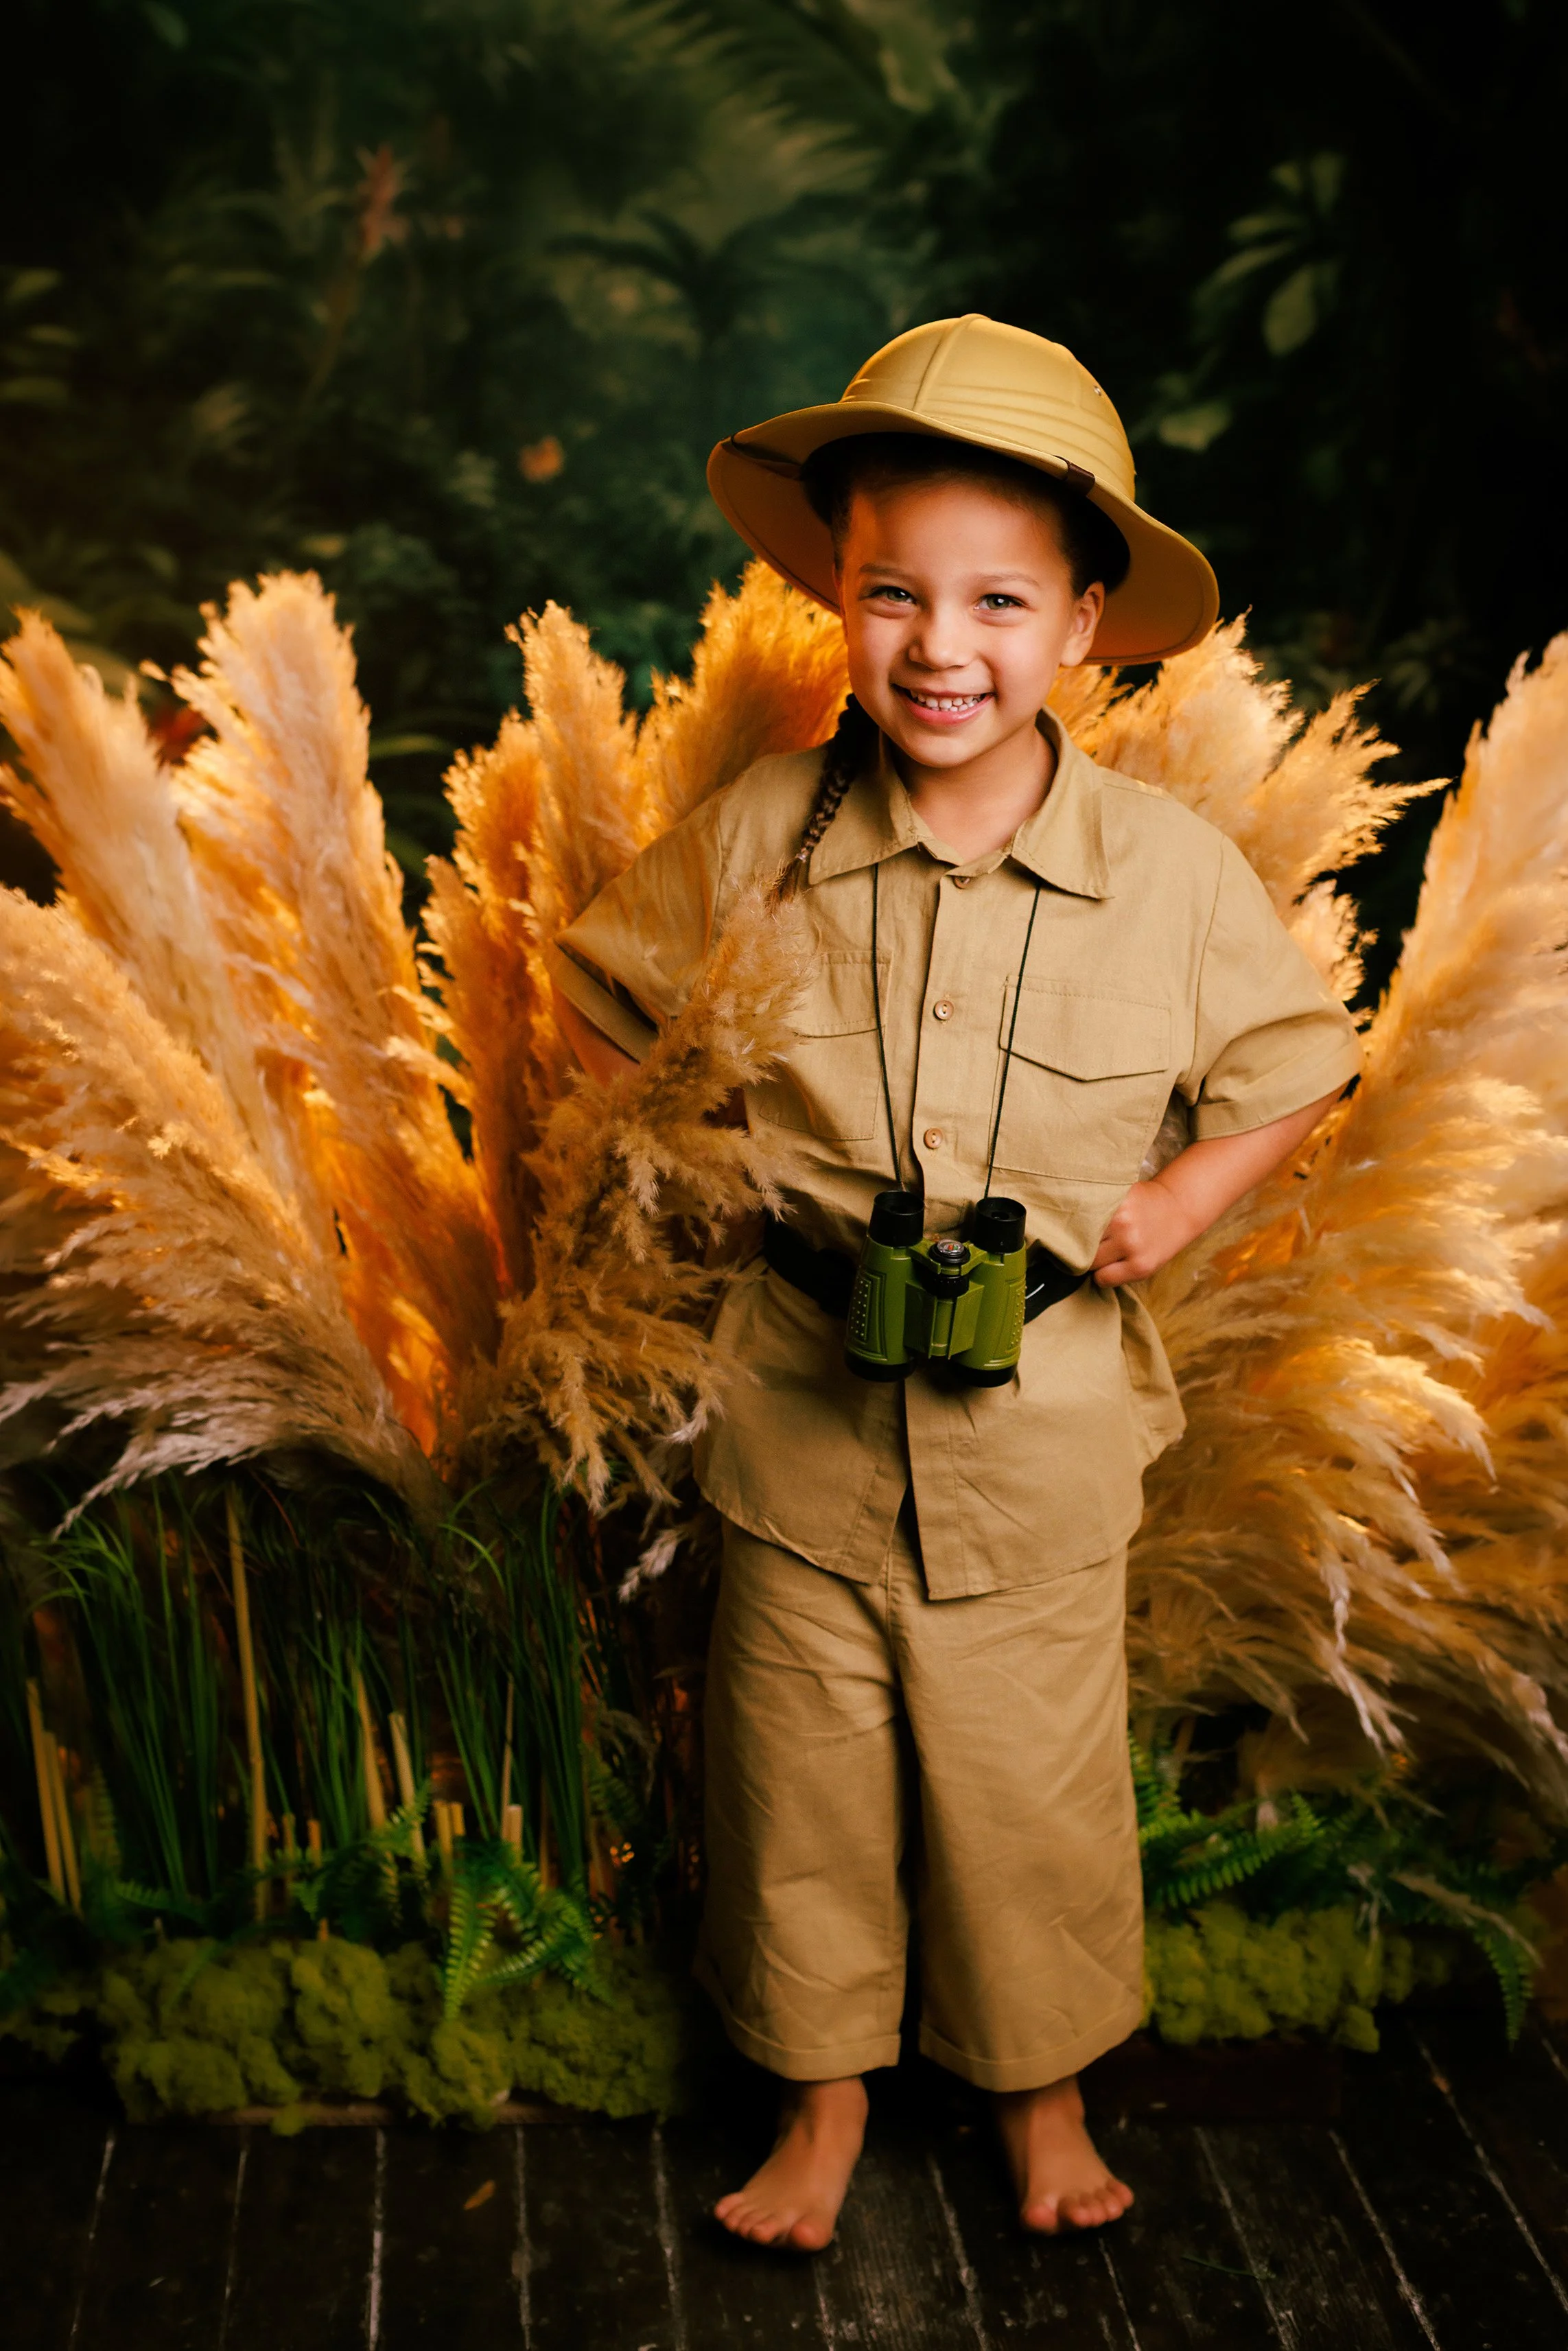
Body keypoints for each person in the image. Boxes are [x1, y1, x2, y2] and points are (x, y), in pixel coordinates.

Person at [550, 316, 1361, 2249]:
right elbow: (599, 996)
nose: (941, 645)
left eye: (999, 600)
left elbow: (1297, 1066)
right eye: (891, 593)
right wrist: (709, 1168)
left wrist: (1174, 1206)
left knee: (1028, 1793)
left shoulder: (1161, 872)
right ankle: (816, 2108)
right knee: (797, 1778)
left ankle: (1040, 2103)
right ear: (838, 599)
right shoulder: (768, 834)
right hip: (802, 1405)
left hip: (1044, 1427)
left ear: (1085, 624)